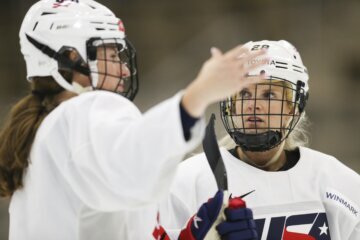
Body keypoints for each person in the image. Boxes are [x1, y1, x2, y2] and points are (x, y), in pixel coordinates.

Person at [0, 0, 268, 239]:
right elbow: (133, 163)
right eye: (114, 55)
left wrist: (191, 235)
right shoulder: (81, 114)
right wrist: (197, 96)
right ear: (73, 59)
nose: (125, 68)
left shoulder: (48, 134)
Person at [159, 40, 360, 240]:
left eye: (269, 94)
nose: (253, 105)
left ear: (293, 107)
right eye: (244, 93)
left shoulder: (335, 182)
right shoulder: (187, 182)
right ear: (231, 105)